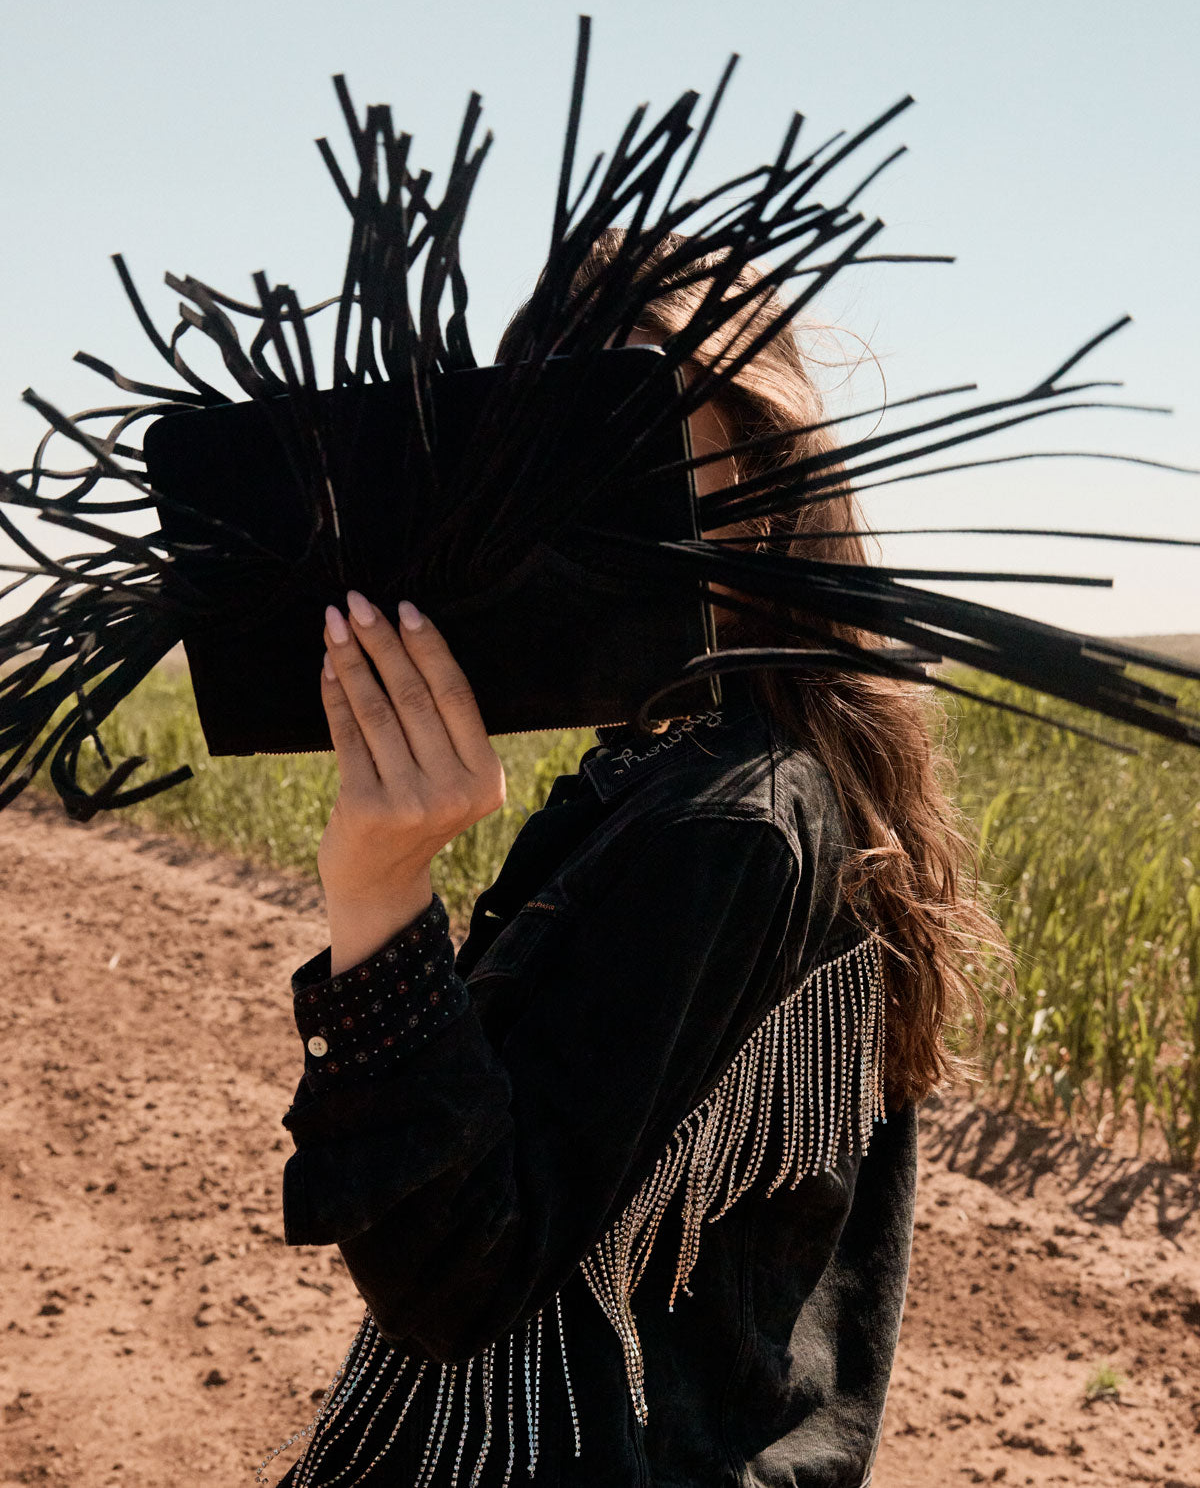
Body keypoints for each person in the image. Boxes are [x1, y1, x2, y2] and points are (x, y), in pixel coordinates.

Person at [268, 232, 1002, 1488]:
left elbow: (453, 1284)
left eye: (642, 444)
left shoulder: (730, 821)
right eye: (547, 462)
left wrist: (378, 894)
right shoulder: (772, 771)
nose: (595, 507)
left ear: (765, 470)